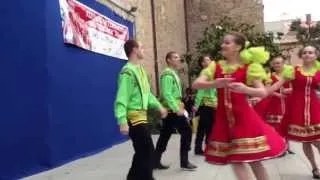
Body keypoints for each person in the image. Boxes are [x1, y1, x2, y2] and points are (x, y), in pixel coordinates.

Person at [192, 32, 287, 180]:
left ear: (237, 47)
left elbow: (262, 92)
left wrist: (245, 89)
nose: (223, 45)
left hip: (244, 119)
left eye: (227, 42)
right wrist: (216, 83)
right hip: (223, 120)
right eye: (223, 42)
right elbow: (196, 84)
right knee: (236, 160)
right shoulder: (215, 66)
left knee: (254, 161)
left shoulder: (249, 67)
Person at [114, 40, 167, 180]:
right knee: (147, 151)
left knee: (143, 152)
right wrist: (122, 120)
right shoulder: (128, 72)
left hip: (141, 117)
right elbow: (122, 98)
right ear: (134, 50)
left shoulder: (140, 71)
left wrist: (159, 106)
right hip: (133, 118)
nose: (144, 50)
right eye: (142, 47)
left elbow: (147, 94)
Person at [271, 45, 320, 179]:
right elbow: (276, 85)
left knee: (318, 140)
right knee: (306, 141)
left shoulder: (318, 71)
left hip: (314, 107)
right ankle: (315, 168)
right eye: (305, 52)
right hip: (297, 108)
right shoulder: (293, 70)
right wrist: (262, 93)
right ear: (301, 55)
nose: (307, 54)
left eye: (310, 52)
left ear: (315, 55)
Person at [154, 51, 197, 171]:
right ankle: (184, 161)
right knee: (187, 131)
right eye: (175, 57)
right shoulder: (167, 74)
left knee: (165, 135)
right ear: (168, 60)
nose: (178, 60)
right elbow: (167, 94)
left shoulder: (173, 74)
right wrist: (176, 108)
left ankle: (155, 161)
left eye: (178, 58)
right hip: (173, 110)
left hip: (173, 108)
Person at [193, 55, 217, 155]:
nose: (208, 61)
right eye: (206, 60)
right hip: (206, 105)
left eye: (209, 59)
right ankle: (208, 148)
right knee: (208, 128)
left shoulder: (211, 74)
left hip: (211, 105)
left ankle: (198, 148)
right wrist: (196, 104)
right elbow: (201, 91)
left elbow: (215, 91)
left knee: (202, 128)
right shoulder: (204, 73)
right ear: (202, 63)